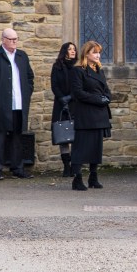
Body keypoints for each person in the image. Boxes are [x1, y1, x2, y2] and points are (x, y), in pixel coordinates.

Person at [0, 28, 35, 180]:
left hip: (19, 104)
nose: (14, 41)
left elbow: (30, 77)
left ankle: (18, 167)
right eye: (11, 39)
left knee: (17, 137)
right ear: (3, 39)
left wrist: (27, 91)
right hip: (0, 104)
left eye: (16, 39)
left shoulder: (22, 56)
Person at [68, 41, 112, 191]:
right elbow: (78, 93)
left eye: (99, 52)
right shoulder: (78, 71)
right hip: (86, 114)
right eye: (94, 52)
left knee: (96, 147)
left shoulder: (99, 70)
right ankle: (77, 178)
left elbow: (105, 89)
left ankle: (93, 177)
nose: (98, 55)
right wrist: (98, 99)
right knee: (80, 148)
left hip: (100, 114)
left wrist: (107, 97)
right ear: (86, 54)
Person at [50, 42, 77, 178]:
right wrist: (62, 98)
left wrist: (71, 97)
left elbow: (78, 85)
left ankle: (74, 165)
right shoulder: (57, 66)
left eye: (74, 49)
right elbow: (54, 85)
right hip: (60, 104)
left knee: (75, 135)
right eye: (70, 49)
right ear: (64, 51)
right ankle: (66, 166)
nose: (73, 51)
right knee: (63, 136)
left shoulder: (78, 66)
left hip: (75, 103)